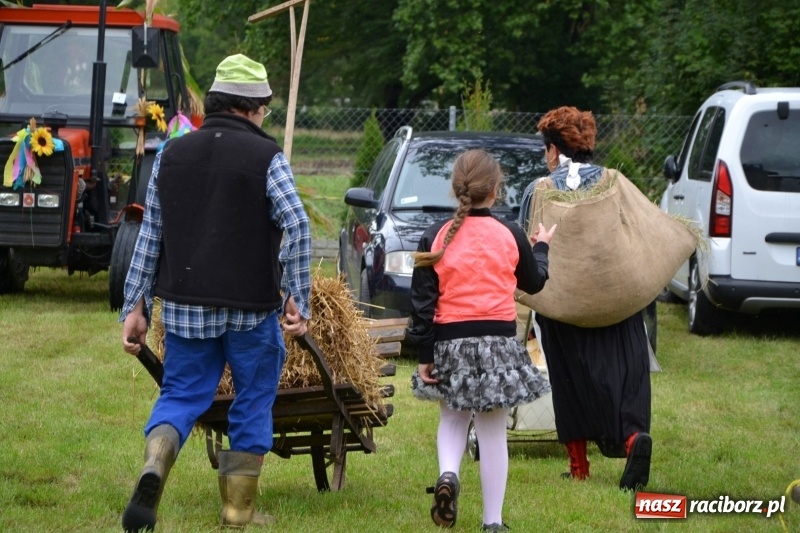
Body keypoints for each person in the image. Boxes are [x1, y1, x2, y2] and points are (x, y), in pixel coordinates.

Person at [118, 53, 311, 532]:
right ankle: (237, 512)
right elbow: (298, 226)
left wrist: (135, 305)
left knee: (181, 395)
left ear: (216, 103)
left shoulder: (171, 155)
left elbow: (150, 235)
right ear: (255, 108)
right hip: (252, 312)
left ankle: (155, 463)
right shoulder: (267, 157)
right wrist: (297, 297)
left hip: (185, 308)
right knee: (253, 401)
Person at [408, 149, 556, 532]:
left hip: (450, 343)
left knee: (452, 417)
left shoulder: (436, 236)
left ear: (456, 188)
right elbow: (534, 282)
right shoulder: (511, 234)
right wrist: (541, 246)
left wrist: (424, 354)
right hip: (498, 344)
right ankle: (492, 522)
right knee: (492, 432)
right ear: (495, 190)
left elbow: (422, 304)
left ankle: (448, 474)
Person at [519, 106, 652, 490]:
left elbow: (527, 242)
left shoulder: (540, 189)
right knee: (626, 375)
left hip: (563, 306)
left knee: (569, 379)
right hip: (616, 299)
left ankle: (579, 466)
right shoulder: (614, 182)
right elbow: (638, 229)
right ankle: (633, 438)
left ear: (553, 150)